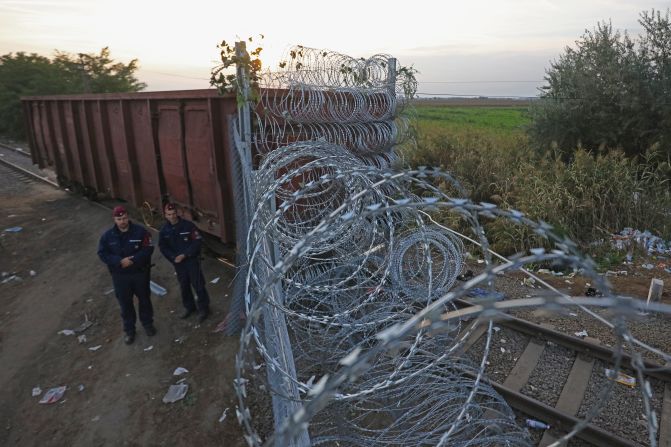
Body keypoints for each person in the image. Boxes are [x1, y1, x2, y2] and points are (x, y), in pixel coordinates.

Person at [97, 206, 156, 345]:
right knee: (125, 304)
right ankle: (129, 331)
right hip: (120, 276)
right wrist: (118, 261)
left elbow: (148, 249)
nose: (122, 221)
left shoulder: (141, 232)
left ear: (128, 217)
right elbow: (102, 253)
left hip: (139, 273)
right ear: (114, 219)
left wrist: (133, 260)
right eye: (119, 219)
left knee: (145, 300)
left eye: (124, 218)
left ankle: (148, 324)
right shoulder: (107, 237)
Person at [158, 203, 210, 323]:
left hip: (191, 261)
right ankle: (189, 307)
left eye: (174, 214)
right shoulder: (164, 231)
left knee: (198, 285)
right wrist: (173, 257)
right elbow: (163, 247)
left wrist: (185, 254)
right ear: (165, 215)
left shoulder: (188, 226)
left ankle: (204, 309)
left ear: (177, 213)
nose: (172, 217)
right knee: (184, 286)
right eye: (169, 214)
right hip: (178, 263)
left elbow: (197, 242)